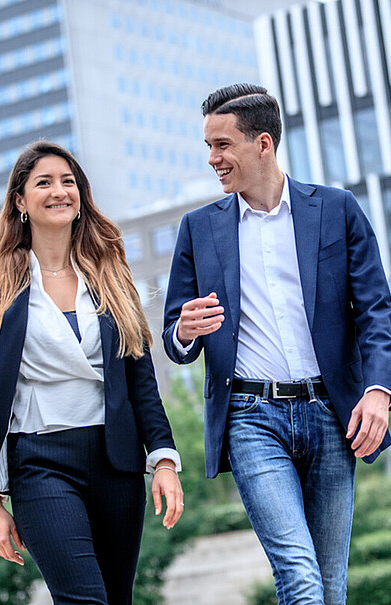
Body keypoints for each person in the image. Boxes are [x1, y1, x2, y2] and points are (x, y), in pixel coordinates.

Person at [163, 83, 391, 604]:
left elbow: (377, 309)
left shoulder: (337, 210)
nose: (212, 159)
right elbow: (175, 336)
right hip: (250, 416)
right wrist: (183, 330)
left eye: (222, 145)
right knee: (300, 575)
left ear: (262, 143)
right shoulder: (198, 229)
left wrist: (378, 390)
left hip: (333, 415)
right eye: (208, 147)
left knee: (330, 584)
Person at [0, 141, 184, 605]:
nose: (59, 191)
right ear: (20, 202)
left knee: (115, 599)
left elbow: (140, 381)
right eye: (43, 182)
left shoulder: (112, 276)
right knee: (84, 600)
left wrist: (164, 459)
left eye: (68, 181)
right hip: (39, 463)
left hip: (115, 461)